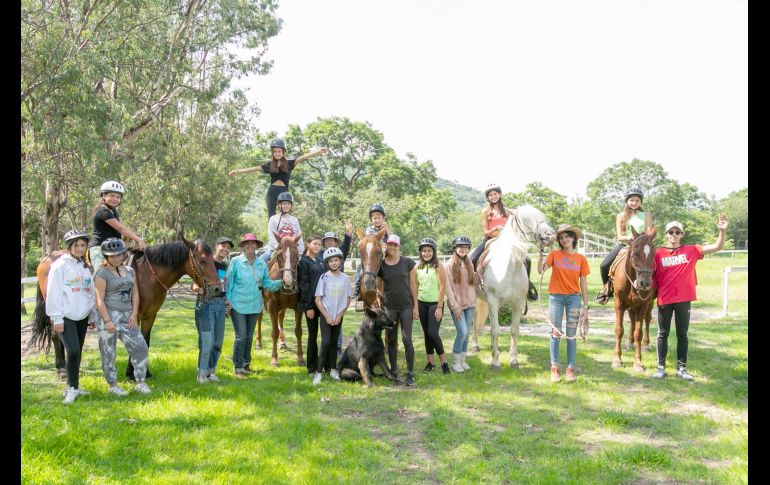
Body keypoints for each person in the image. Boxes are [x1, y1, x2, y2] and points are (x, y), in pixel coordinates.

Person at [651, 215, 728, 381]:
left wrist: (722, 231)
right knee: (662, 334)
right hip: (665, 299)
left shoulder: (691, 250)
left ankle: (681, 368)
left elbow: (717, 247)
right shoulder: (657, 253)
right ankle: (660, 368)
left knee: (682, 334)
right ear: (666, 234)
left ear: (682, 234)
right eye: (671, 232)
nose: (674, 234)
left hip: (684, 299)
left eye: (677, 232)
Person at [45, 229, 99, 404]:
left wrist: (91, 315)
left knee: (78, 352)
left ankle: (75, 386)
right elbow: (53, 292)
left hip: (82, 316)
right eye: (77, 245)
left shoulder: (84, 267)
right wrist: (57, 318)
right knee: (73, 350)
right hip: (66, 316)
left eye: (83, 245)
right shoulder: (60, 265)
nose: (80, 248)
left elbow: (89, 292)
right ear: (69, 246)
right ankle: (70, 388)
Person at [93, 238, 151, 396]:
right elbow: (99, 299)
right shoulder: (102, 274)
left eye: (119, 255)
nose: (116, 258)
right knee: (108, 352)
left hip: (127, 316)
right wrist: (107, 321)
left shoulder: (130, 271)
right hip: (109, 315)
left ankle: (140, 382)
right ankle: (113, 385)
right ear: (106, 257)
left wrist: (134, 313)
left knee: (140, 347)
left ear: (124, 254)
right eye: (112, 256)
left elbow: (135, 293)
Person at [537, 224, 590, 383]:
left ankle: (570, 369)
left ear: (573, 238)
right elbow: (541, 271)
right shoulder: (554, 254)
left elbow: (584, 283)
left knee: (572, 334)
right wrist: (540, 255)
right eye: (561, 238)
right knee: (555, 333)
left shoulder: (581, 259)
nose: (564, 240)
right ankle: (554, 368)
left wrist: (585, 306)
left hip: (574, 298)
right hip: (556, 298)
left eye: (567, 236)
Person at [225, 233, 282, 377]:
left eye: (253, 243)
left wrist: (282, 283)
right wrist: (228, 301)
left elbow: (267, 283)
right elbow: (229, 283)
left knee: (249, 336)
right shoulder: (236, 262)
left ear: (257, 246)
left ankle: (246, 364)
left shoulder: (262, 264)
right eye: (247, 243)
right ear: (243, 246)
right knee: (241, 336)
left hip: (255, 305)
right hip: (237, 305)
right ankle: (238, 367)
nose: (250, 245)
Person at [228, 138, 329, 219]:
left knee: (285, 215)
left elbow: (303, 157)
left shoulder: (289, 163)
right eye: (275, 151)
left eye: (279, 151)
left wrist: (318, 152)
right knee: (271, 216)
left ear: (283, 152)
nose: (277, 153)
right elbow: (254, 169)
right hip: (272, 191)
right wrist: (237, 171)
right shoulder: (269, 165)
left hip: (284, 192)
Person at [470, 184, 537, 301]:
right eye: (490, 195)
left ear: (500, 195)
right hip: (490, 240)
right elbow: (486, 232)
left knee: (527, 260)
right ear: (488, 198)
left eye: (495, 193)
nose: (493, 196)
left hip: (507, 241)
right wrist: (496, 229)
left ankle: (527, 288)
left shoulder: (507, 212)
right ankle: (471, 285)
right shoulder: (485, 211)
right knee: (472, 258)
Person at [595, 187, 655, 304]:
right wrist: (627, 237)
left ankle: (656, 287)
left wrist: (641, 240)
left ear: (640, 202)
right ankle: (606, 289)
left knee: (654, 262)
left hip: (642, 247)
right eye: (631, 200)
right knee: (604, 265)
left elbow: (648, 233)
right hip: (624, 245)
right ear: (627, 201)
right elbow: (619, 235)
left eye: (637, 200)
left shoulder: (646, 215)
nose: (634, 203)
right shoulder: (620, 216)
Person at [376, 234, 419, 386]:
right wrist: (380, 298)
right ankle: (394, 371)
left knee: (407, 339)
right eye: (390, 245)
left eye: (395, 245)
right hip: (390, 308)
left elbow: (414, 285)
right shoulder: (382, 265)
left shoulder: (408, 263)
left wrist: (416, 307)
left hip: (406, 306)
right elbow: (378, 286)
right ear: (386, 246)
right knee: (392, 340)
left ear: (398, 246)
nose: (392, 247)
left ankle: (410, 373)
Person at [192, 236, 233, 383]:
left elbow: (225, 286)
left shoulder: (225, 266)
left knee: (217, 343)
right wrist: (199, 289)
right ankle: (201, 374)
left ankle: (210, 372)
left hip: (221, 305)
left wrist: (227, 302)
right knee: (207, 341)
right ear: (216, 246)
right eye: (223, 246)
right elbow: (194, 285)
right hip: (206, 304)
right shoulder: (206, 262)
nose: (226, 250)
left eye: (229, 248)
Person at [312, 247, 352, 385]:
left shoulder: (346, 278)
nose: (334, 263)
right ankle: (318, 372)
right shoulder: (324, 277)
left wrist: (340, 315)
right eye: (331, 261)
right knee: (326, 342)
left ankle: (333, 369)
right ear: (327, 263)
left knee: (335, 343)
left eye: (336, 260)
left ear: (340, 261)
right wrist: (327, 316)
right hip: (326, 315)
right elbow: (318, 299)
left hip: (338, 316)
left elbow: (348, 299)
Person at [89, 181, 147, 271]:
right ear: (103, 196)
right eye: (112, 196)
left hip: (113, 248)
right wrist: (138, 239)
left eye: (118, 197)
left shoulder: (112, 211)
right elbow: (121, 228)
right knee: (100, 274)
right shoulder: (103, 211)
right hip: (99, 248)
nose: (115, 199)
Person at [443, 235, 480, 373]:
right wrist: (454, 306)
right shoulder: (449, 265)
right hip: (457, 304)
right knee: (462, 332)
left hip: (470, 303)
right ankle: (455, 361)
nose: (463, 249)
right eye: (460, 247)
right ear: (455, 248)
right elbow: (448, 287)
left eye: (465, 247)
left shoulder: (469, 263)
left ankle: (463, 360)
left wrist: (478, 275)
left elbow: (471, 283)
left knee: (467, 333)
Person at [415, 237, 450, 374]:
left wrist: (439, 307)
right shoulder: (418, 267)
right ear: (421, 252)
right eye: (424, 251)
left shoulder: (439, 266)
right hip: (421, 303)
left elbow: (442, 288)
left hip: (435, 304)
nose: (426, 253)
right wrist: (415, 307)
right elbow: (416, 287)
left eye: (429, 251)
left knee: (433, 333)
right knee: (426, 334)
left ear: (433, 252)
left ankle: (444, 362)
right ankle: (430, 363)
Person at [353, 203, 393, 311]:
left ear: (383, 218)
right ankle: (357, 291)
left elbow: (392, 239)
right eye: (374, 218)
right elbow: (367, 241)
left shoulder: (386, 229)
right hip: (372, 257)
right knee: (359, 268)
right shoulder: (369, 230)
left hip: (384, 255)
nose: (377, 220)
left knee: (393, 269)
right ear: (371, 219)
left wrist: (386, 229)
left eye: (379, 218)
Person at [322, 221, 353, 357]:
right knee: (326, 321)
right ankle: (326, 347)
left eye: (332, 240)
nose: (329, 242)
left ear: (335, 242)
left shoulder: (339, 254)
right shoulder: (321, 256)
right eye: (327, 240)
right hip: (325, 295)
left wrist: (348, 234)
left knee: (338, 320)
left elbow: (346, 246)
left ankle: (338, 347)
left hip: (338, 294)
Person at [297, 235, 325, 375]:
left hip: (324, 304)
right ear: (308, 244)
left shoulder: (321, 261)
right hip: (312, 305)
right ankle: (311, 367)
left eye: (319, 244)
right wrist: (308, 306)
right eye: (314, 243)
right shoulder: (303, 262)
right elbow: (304, 286)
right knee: (313, 335)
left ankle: (326, 364)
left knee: (326, 336)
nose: (317, 246)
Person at [262, 192, 304, 262]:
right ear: (279, 204)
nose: (286, 206)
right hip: (276, 249)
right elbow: (272, 236)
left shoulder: (294, 219)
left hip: (292, 249)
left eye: (288, 204)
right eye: (284, 203)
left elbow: (299, 235)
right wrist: (277, 247)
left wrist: (300, 251)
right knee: (261, 260)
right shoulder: (274, 219)